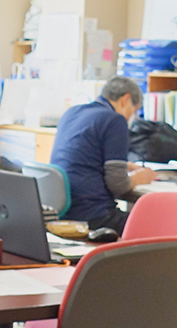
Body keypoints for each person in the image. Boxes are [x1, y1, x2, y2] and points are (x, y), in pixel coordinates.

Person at [48, 76, 156, 234]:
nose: (131, 117)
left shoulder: (72, 112)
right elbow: (118, 185)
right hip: (94, 216)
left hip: (63, 212)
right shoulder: (115, 120)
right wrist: (139, 177)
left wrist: (125, 166)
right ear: (125, 99)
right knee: (156, 224)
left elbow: (82, 158)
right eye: (134, 111)